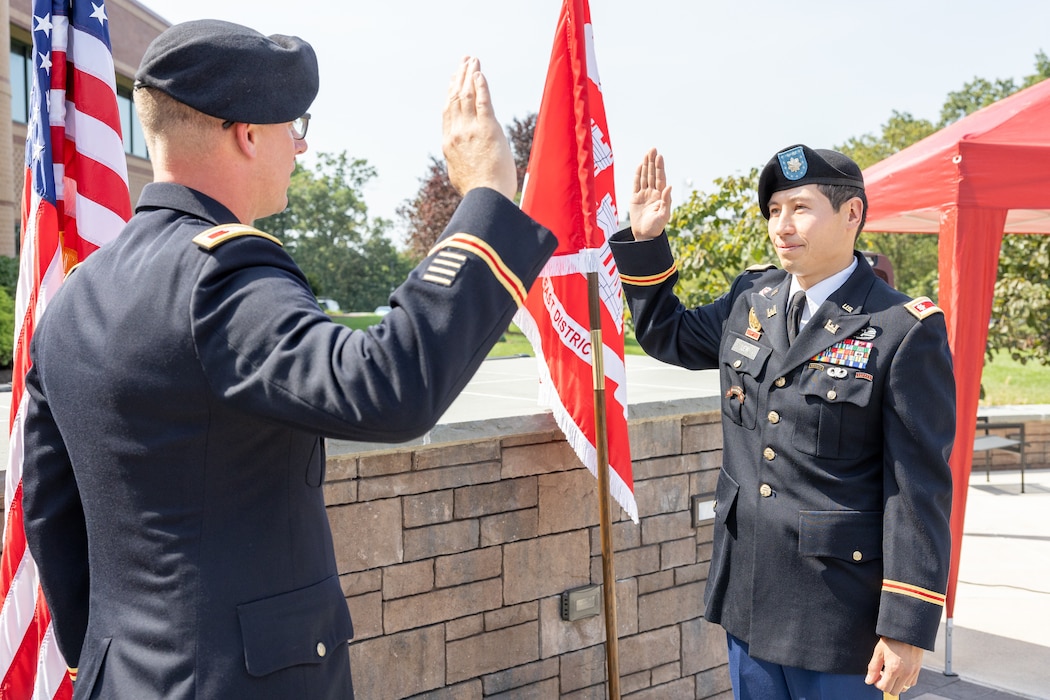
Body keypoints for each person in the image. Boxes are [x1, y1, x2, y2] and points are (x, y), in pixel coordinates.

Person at [21, 19, 556, 700]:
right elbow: (386, 385)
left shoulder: (72, 299)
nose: (300, 148)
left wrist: (107, 658)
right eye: (293, 126)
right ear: (247, 134)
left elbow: (50, 510)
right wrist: (486, 201)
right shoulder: (220, 274)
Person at [609, 146, 954, 699]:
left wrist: (906, 626)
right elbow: (667, 335)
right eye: (773, 211)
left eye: (800, 207)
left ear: (852, 215)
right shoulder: (752, 298)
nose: (782, 226)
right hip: (749, 597)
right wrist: (647, 241)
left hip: (841, 616)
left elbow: (918, 490)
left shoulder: (900, 329)